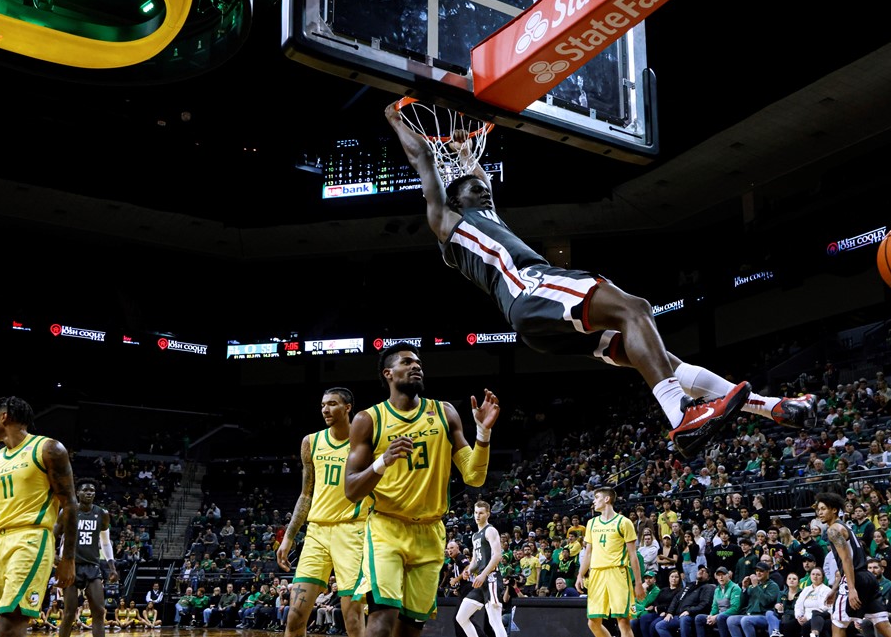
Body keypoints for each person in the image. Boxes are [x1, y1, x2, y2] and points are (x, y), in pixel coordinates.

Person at [382, 99, 819, 459]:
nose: (484, 187)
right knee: (636, 308)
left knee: (661, 360)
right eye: (475, 188)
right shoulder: (446, 221)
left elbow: (478, 177)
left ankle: (773, 407)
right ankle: (679, 415)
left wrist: (462, 152)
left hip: (533, 317)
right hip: (530, 287)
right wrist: (396, 120)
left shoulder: (483, 210)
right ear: (457, 198)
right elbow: (422, 157)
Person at [345, 343, 500, 637]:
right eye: (407, 362)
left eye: (418, 362)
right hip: (386, 528)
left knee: (410, 629)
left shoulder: (444, 412)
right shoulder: (369, 419)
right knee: (382, 619)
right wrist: (382, 462)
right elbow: (351, 489)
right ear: (388, 373)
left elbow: (474, 476)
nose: (416, 366)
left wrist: (483, 434)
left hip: (430, 532)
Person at [0, 396, 78, 637]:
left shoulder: (48, 449)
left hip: (31, 539)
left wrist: (68, 558)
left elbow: (70, 504)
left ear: (4, 416)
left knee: (10, 625)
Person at [277, 387, 366, 637]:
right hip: (316, 533)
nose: (325, 409)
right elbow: (305, 494)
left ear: (348, 408)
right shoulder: (311, 441)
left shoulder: (366, 443)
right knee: (294, 616)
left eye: (333, 404)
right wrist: (288, 537)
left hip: (352, 531)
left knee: (353, 619)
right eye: (323, 405)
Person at [814, 491, 891, 637]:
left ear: (834, 510)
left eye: (823, 509)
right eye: (818, 510)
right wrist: (835, 588)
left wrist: (852, 589)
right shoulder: (844, 527)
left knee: (838, 624)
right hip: (868, 578)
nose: (819, 513)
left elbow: (846, 559)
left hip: (854, 579)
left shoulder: (833, 530)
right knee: (883, 624)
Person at [575, 487, 644, 637]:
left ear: (607, 499)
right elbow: (588, 553)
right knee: (593, 622)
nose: (593, 501)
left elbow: (633, 555)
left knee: (623, 621)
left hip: (617, 572)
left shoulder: (624, 522)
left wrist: (638, 583)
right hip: (596, 574)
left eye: (596, 497)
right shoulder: (591, 523)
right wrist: (580, 574)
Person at [56, 478, 117, 637]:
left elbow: (105, 543)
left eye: (92, 490)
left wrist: (112, 567)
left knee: (99, 611)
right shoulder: (68, 511)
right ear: (77, 492)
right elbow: (52, 535)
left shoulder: (102, 514)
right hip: (71, 566)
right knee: (69, 612)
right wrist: (55, 557)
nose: (89, 493)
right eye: (85, 490)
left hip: (92, 566)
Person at [456, 500, 509, 637]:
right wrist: (468, 570)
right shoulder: (475, 535)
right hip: (481, 581)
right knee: (461, 617)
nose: (477, 516)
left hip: (491, 578)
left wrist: (483, 574)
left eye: (481, 513)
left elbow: (497, 556)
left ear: (488, 514)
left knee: (495, 620)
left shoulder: (490, 530)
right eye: (475, 513)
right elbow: (475, 560)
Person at [694, 566, 740, 637]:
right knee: (699, 618)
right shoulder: (717, 589)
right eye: (719, 575)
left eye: (723, 575)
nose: (721, 577)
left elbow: (735, 609)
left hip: (730, 616)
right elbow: (715, 607)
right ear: (716, 577)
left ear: (728, 575)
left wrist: (716, 616)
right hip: (719, 616)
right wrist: (711, 616)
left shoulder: (735, 588)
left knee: (720, 617)